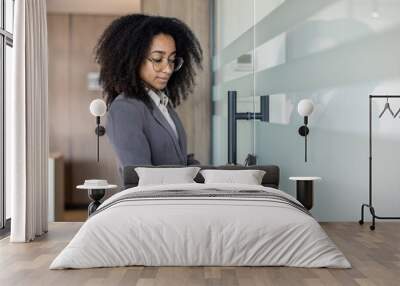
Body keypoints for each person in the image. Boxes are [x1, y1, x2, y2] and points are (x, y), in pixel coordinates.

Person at [95, 14, 202, 174]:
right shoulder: (125, 108)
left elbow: (179, 161)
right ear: (134, 59)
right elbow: (140, 177)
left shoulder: (163, 104)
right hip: (153, 199)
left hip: (176, 197)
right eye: (158, 59)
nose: (168, 69)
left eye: (172, 60)